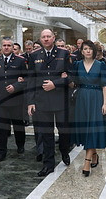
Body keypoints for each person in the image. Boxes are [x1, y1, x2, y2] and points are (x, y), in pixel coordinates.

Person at [27, 29, 71, 177]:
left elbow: (70, 77)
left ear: (53, 38)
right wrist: (30, 101)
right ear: (40, 39)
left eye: (48, 36)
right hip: (42, 100)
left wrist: (56, 83)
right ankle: (48, 164)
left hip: (60, 99)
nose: (46, 39)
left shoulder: (63, 53)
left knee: (63, 131)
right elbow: (31, 80)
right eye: (43, 37)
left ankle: (64, 151)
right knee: (46, 133)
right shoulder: (34, 55)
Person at [71, 40, 106, 177]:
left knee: (92, 128)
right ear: (81, 51)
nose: (88, 51)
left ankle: (86, 162)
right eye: (85, 49)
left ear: (94, 51)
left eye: (90, 49)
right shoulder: (77, 65)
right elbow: (72, 81)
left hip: (96, 98)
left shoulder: (101, 65)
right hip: (81, 99)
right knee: (86, 129)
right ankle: (94, 155)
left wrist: (105, 104)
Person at [0, 38, 27, 162]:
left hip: (16, 99)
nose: (6, 47)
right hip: (0, 99)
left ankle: (20, 145)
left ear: (13, 47)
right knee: (1, 127)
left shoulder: (20, 61)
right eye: (4, 45)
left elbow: (26, 79)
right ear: (1, 47)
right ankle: (1, 151)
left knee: (18, 125)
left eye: (9, 45)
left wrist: (16, 86)